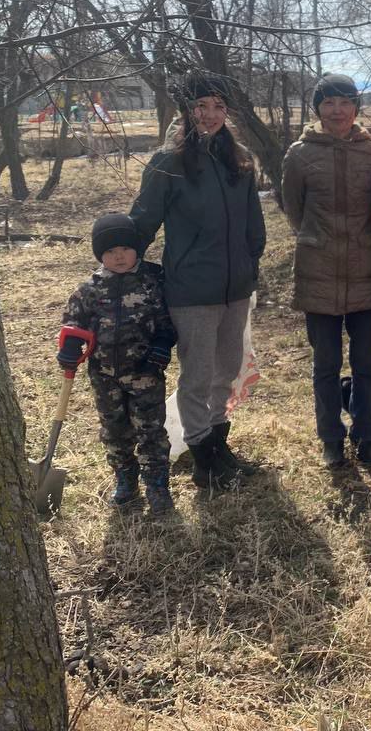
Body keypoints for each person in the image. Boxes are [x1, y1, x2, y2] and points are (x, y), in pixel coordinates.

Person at [130, 72, 266, 492]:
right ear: (186, 111)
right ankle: (201, 455)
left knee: (226, 370)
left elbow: (253, 226)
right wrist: (121, 260)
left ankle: (218, 445)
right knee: (198, 376)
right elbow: (143, 222)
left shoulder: (239, 159)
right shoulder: (168, 163)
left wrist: (249, 262)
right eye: (200, 106)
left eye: (218, 107)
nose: (209, 115)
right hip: (192, 290)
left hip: (235, 288)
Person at [282, 74, 371, 468]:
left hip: (366, 271)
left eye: (345, 102)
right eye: (329, 103)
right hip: (319, 272)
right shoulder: (299, 154)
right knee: (325, 365)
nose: (337, 110)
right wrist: (318, 238)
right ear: (318, 110)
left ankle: (366, 435)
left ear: (356, 108)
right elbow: (294, 209)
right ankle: (331, 438)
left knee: (366, 364)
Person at [59, 214, 176, 515]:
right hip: (104, 376)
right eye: (110, 251)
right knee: (114, 430)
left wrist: (162, 347)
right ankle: (126, 480)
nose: (119, 256)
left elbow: (167, 323)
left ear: (137, 249)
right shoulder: (89, 289)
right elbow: (73, 323)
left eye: (125, 249)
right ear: (101, 255)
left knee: (150, 429)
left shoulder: (153, 283)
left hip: (145, 374)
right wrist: (70, 347)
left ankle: (157, 484)